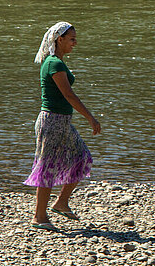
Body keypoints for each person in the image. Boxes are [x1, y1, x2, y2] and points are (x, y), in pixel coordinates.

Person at [24, 22, 101, 230]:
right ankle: (39, 217)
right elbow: (69, 95)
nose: (75, 43)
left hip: (62, 121)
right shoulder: (54, 64)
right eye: (72, 39)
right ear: (60, 39)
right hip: (52, 121)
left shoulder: (57, 62)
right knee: (46, 167)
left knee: (82, 158)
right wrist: (90, 118)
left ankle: (61, 202)